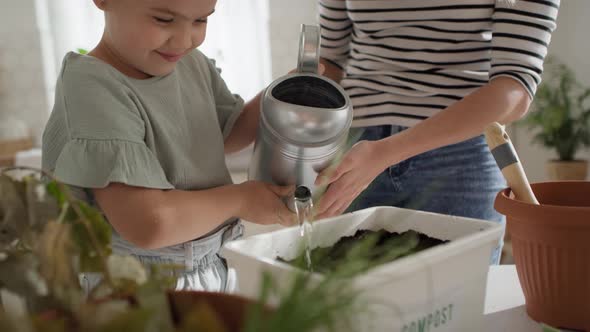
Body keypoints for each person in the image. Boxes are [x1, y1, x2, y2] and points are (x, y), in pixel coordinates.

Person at [42, 0, 297, 292]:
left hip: (211, 264)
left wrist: (285, 95)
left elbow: (226, 135)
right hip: (134, 286)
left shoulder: (190, 63)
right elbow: (148, 224)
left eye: (201, 20)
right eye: (164, 19)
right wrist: (242, 200)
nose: (185, 40)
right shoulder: (93, 86)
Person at [314, 0, 559, 263]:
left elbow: (515, 87)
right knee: (351, 302)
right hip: (354, 153)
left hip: (458, 160)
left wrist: (387, 152)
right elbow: (330, 58)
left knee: (456, 301)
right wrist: (291, 127)